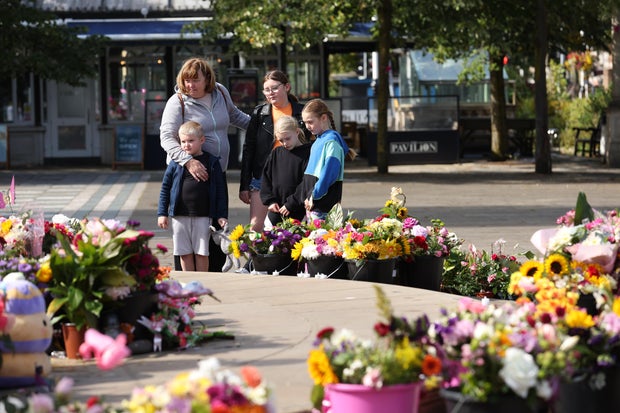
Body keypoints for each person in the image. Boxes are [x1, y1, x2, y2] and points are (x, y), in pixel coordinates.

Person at [159, 57, 249, 272]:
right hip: (188, 175)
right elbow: (166, 138)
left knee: (212, 226)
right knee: (189, 229)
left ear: (207, 78)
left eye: (195, 80)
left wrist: (264, 125)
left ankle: (211, 274)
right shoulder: (178, 101)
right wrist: (188, 162)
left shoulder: (220, 92)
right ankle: (186, 277)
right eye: (186, 80)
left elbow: (235, 116)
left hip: (217, 171)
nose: (190, 85)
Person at [239, 70, 310, 232]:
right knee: (256, 227)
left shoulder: (303, 112)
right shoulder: (259, 113)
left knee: (295, 228)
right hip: (263, 176)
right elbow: (249, 148)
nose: (270, 93)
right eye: (266, 90)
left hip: (294, 175)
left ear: (287, 87)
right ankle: (257, 258)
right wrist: (244, 185)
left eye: (274, 88)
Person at [157, 121, 228, 272]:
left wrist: (221, 215)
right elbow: (165, 188)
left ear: (202, 140)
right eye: (183, 141)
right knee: (184, 253)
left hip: (203, 215)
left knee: (202, 252)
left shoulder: (212, 162)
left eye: (191, 141)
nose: (186, 145)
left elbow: (221, 191)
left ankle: (202, 282)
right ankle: (189, 284)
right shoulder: (176, 162)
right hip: (179, 215)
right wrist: (162, 213)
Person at [301, 98, 357, 220]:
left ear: (324, 118)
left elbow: (329, 174)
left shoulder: (331, 141)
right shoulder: (319, 140)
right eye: (305, 122)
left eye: (310, 122)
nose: (307, 126)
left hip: (323, 205)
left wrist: (314, 194)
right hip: (314, 203)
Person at [260, 115, 312, 228]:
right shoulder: (276, 153)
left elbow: (307, 183)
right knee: (270, 243)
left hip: (298, 211)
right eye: (280, 140)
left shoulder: (308, 153)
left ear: (297, 132)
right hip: (276, 210)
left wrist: (291, 204)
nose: (284, 143)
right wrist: (270, 201)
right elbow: (266, 179)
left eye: (287, 138)